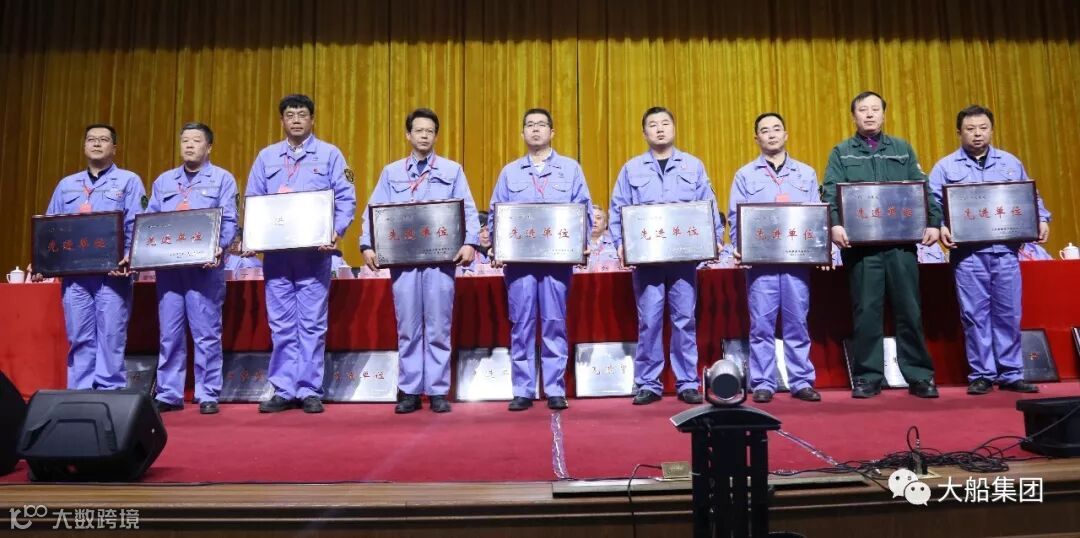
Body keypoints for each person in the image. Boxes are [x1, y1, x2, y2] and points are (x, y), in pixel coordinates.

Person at [822, 91, 941, 399]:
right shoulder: (841, 152)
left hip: (900, 246)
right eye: (863, 110)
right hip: (861, 249)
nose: (869, 114)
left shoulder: (901, 149)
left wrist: (933, 221)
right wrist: (834, 223)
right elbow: (830, 191)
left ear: (884, 114)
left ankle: (919, 375)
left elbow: (922, 187)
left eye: (875, 109)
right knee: (866, 312)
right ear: (854, 116)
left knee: (909, 310)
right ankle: (867, 376)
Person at [360, 108, 480, 414]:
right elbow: (374, 210)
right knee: (408, 326)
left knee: (439, 326)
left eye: (429, 131)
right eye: (419, 130)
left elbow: (468, 209)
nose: (424, 135)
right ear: (408, 135)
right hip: (403, 262)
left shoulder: (452, 170)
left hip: (441, 261)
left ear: (436, 136)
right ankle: (411, 390)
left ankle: (438, 390)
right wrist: (367, 244)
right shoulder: (392, 173)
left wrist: (470, 242)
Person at [245, 94, 357, 413]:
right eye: (290, 114)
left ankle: (309, 389)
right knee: (281, 325)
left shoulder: (330, 155)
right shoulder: (266, 157)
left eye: (302, 114)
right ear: (282, 121)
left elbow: (346, 198)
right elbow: (254, 200)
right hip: (277, 257)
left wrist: (335, 231)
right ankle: (283, 389)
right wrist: (253, 235)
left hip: (314, 255)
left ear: (312, 120)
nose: (296, 119)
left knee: (311, 324)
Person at [930, 105, 1050, 395]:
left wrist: (1042, 219)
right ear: (959, 132)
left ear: (991, 130)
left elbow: (1030, 197)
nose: (977, 134)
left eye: (983, 128)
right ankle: (982, 373)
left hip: (1005, 252)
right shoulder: (945, 167)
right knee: (975, 316)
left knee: (1009, 313)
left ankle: (1011, 373)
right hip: (968, 256)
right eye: (970, 129)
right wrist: (941, 226)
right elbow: (932, 204)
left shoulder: (1010, 163)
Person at [608, 106, 723, 405]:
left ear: (674, 128)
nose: (659, 129)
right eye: (653, 125)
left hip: (684, 259)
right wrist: (620, 243)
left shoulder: (693, 166)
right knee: (649, 320)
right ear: (644, 132)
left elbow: (709, 205)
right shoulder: (631, 169)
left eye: (665, 123)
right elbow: (618, 209)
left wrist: (715, 239)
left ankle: (687, 382)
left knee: (684, 319)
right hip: (647, 261)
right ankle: (648, 383)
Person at [488, 108, 593, 411]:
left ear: (552, 132)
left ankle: (555, 388)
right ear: (522, 133)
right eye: (530, 125)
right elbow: (496, 212)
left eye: (541, 125)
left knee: (554, 323)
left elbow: (583, 209)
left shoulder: (570, 169)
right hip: (519, 264)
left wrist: (582, 244)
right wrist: (496, 245)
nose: (536, 129)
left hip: (557, 263)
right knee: (521, 324)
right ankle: (523, 389)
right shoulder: (510, 172)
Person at [37, 124, 145, 390]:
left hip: (113, 275)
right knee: (79, 336)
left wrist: (130, 257)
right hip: (75, 277)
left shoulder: (129, 181)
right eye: (91, 139)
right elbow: (50, 227)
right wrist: (42, 260)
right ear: (84, 145)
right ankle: (81, 392)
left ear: (114, 148)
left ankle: (109, 392)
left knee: (111, 336)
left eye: (103, 139)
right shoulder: (67, 185)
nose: (97, 143)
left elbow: (138, 224)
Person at [728, 112, 821, 403]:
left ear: (786, 134)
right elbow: (735, 216)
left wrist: (820, 248)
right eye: (765, 130)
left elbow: (816, 213)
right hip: (761, 265)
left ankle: (801, 380)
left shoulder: (805, 173)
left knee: (797, 322)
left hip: (796, 262)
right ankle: (763, 382)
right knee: (761, 325)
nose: (771, 134)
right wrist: (740, 246)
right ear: (756, 138)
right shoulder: (745, 175)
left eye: (777, 129)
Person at [145, 122, 238, 414]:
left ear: (208, 147)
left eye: (196, 140)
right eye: (185, 140)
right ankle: (169, 393)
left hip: (204, 269)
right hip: (170, 271)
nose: (189, 145)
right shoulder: (164, 181)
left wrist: (219, 247)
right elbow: (149, 221)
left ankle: (207, 392)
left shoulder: (222, 179)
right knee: (169, 333)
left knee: (206, 331)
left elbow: (229, 220)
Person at [585, 204, 619, 271]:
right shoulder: (577, 245)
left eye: (598, 218)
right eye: (590, 218)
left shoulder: (616, 245)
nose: (594, 221)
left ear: (605, 224)